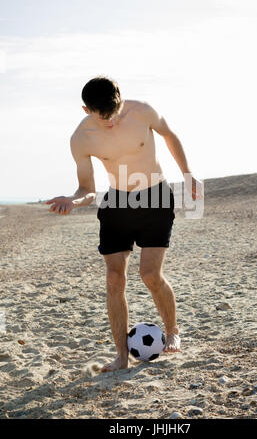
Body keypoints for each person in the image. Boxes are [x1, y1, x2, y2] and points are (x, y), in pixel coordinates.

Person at [45, 76, 202, 372]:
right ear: (85, 109)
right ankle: (121, 356)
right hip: (117, 202)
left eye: (114, 113)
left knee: (150, 275)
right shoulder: (81, 138)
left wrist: (188, 173)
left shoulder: (142, 111)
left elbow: (169, 134)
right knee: (114, 279)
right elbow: (87, 189)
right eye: (103, 117)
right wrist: (72, 200)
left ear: (120, 99)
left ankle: (172, 333)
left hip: (155, 196)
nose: (111, 122)